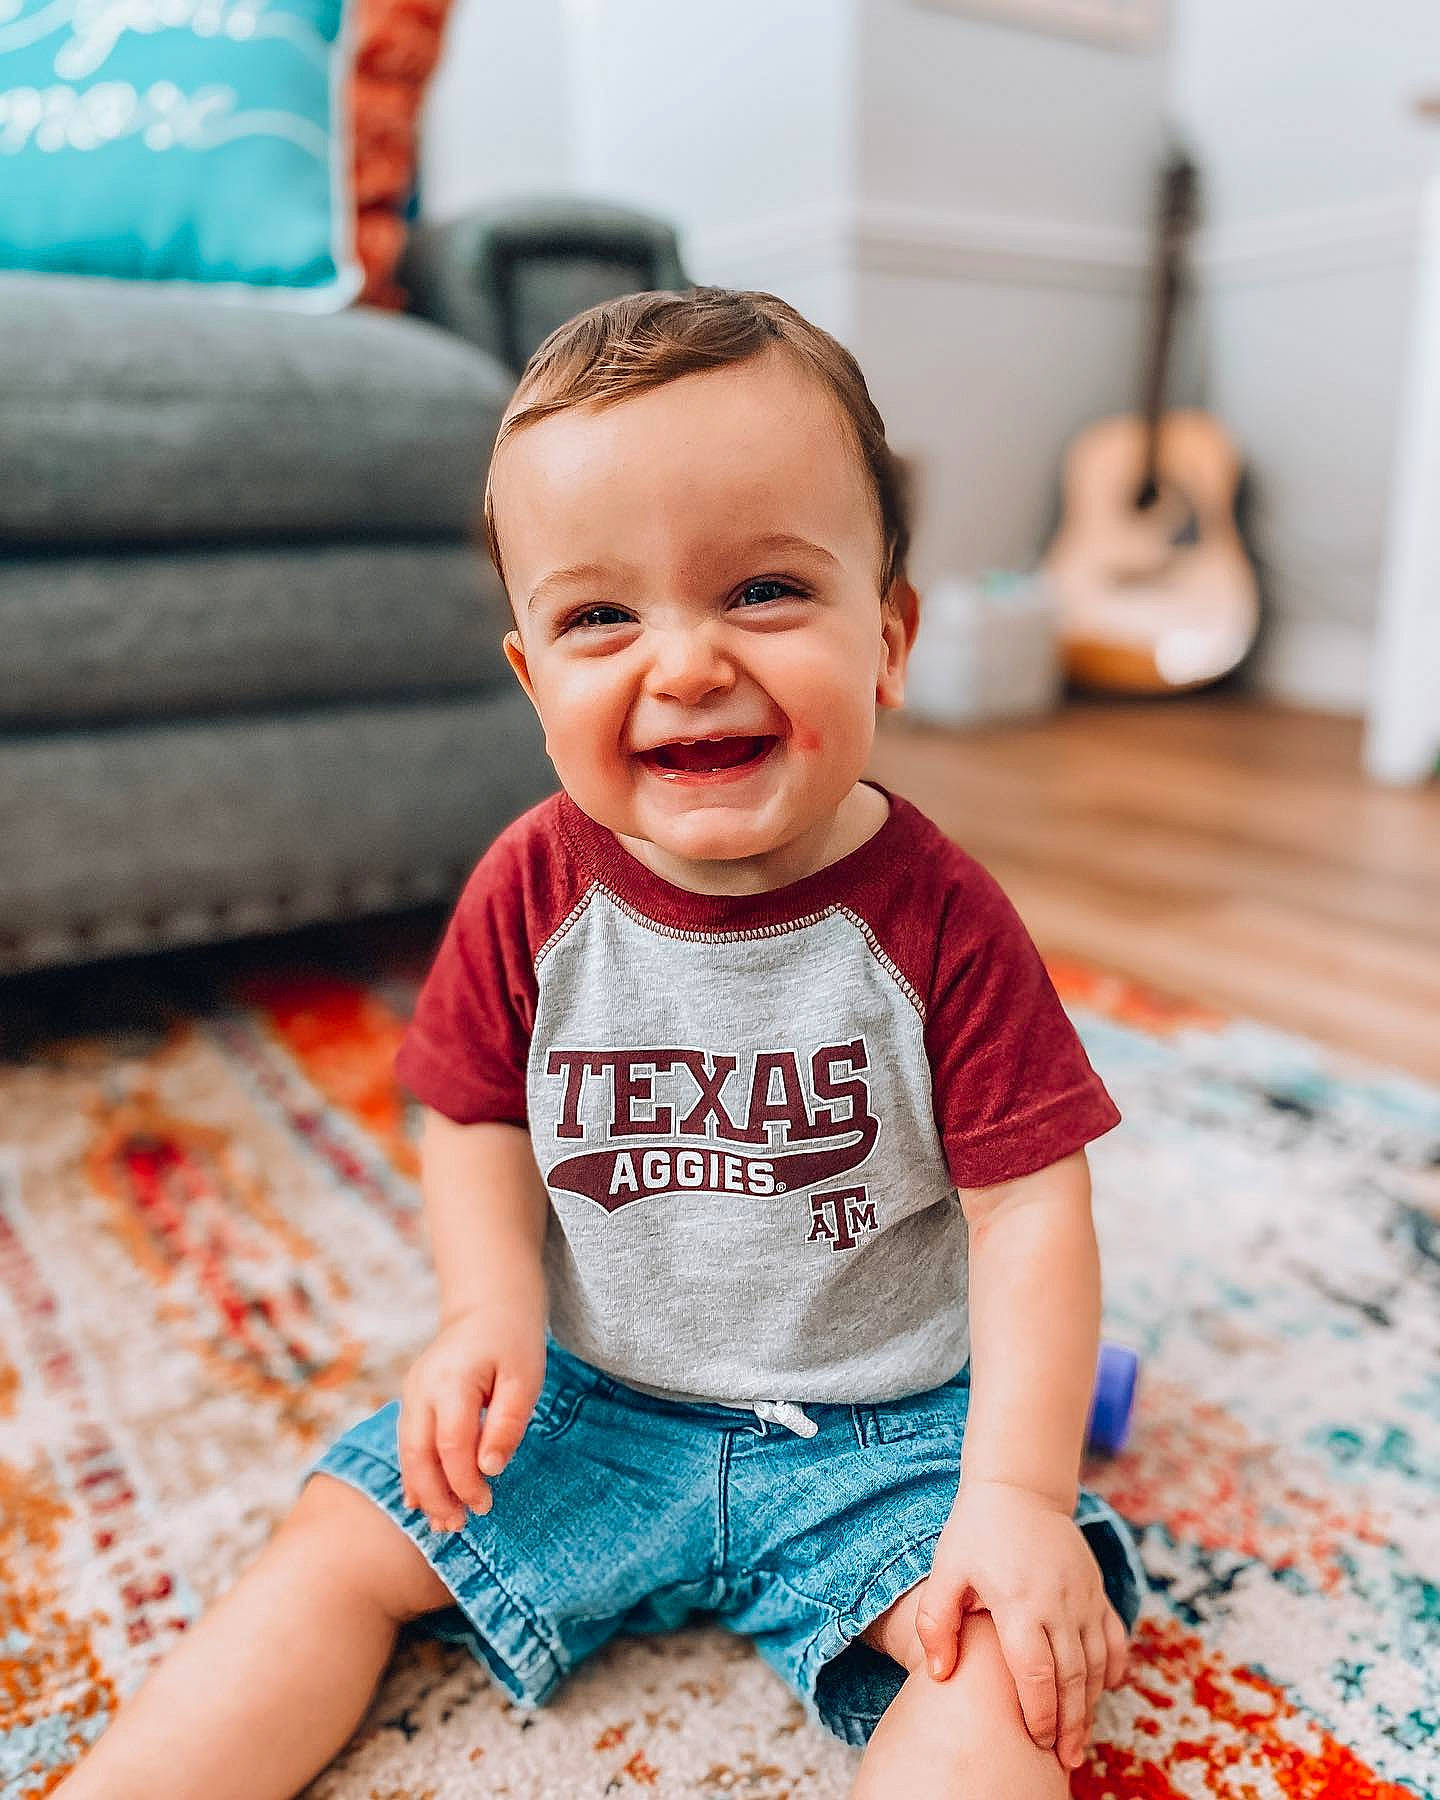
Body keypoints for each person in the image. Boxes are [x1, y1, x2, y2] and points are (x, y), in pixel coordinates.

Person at [56, 287, 1147, 1799]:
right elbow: (474, 1117)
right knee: (334, 1547)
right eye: (600, 617)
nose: (686, 664)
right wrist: (486, 1314)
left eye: (764, 590)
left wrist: (1018, 1490)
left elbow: (1028, 1208)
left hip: (880, 1431)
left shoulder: (943, 921)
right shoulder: (530, 887)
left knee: (1009, 1660)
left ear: (887, 636)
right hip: (588, 1402)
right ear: (530, 682)